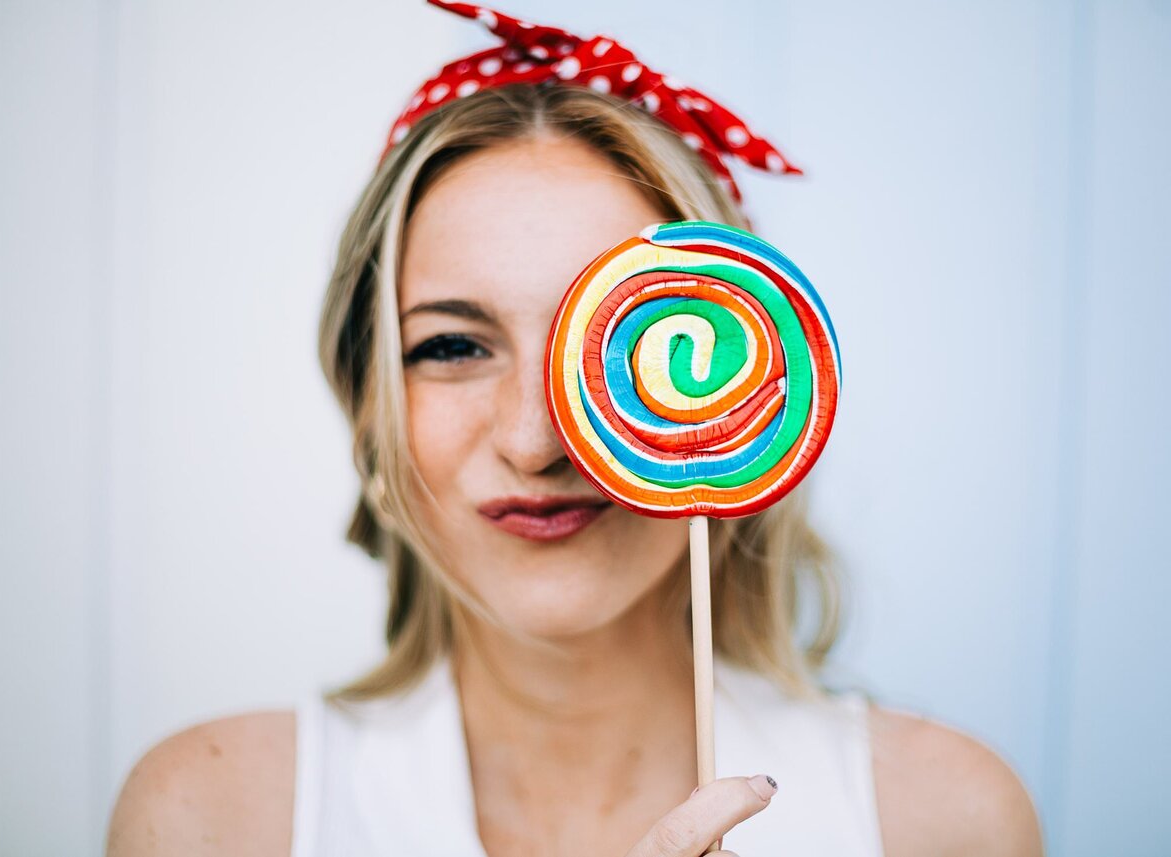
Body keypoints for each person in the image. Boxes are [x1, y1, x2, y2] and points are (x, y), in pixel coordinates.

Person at [106, 4, 1044, 856]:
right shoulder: (212, 816)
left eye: (610, 343)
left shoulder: (946, 819)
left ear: (749, 373)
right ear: (368, 399)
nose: (533, 439)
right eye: (452, 345)